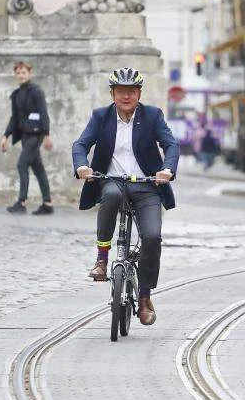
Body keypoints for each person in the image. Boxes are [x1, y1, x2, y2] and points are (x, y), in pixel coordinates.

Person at [72, 67, 179, 326]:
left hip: (146, 185)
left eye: (131, 91)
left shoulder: (152, 116)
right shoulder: (101, 116)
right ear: (112, 93)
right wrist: (82, 167)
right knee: (109, 196)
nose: (126, 96)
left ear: (139, 93)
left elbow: (171, 145)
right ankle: (101, 259)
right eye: (121, 91)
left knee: (152, 237)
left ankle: (144, 297)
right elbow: (81, 144)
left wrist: (166, 170)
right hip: (112, 182)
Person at [1, 61, 54, 215]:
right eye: (18, 73)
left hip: (36, 135)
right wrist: (5, 136)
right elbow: (14, 118)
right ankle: (47, 204)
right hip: (24, 136)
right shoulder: (16, 95)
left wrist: (47, 135)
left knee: (21, 164)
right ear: (15, 75)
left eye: (23, 72)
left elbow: (44, 113)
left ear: (29, 74)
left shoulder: (36, 91)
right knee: (38, 168)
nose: (21, 75)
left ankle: (21, 202)